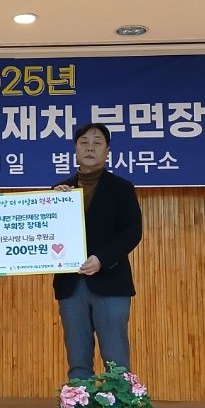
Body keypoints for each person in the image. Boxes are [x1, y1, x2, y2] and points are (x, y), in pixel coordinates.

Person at [53, 122, 142, 380]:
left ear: (107, 151)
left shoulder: (121, 188)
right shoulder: (60, 191)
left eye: (97, 143)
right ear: (75, 149)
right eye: (84, 142)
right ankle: (79, 407)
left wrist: (102, 259)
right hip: (71, 285)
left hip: (111, 283)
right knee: (78, 362)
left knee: (116, 362)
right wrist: (53, 204)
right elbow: (48, 236)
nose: (90, 147)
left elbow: (132, 231)